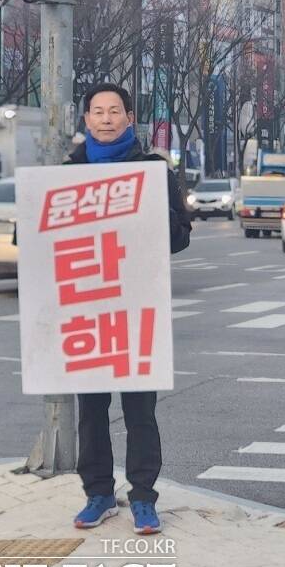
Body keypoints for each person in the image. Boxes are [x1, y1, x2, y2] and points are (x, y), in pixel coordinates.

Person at [67, 83, 191, 535]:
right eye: (97, 111)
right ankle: (98, 494)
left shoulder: (153, 171)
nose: (105, 118)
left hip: (138, 307)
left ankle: (143, 497)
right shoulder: (66, 174)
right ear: (85, 120)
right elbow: (38, 241)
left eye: (114, 110)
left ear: (129, 117)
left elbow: (180, 236)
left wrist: (148, 224)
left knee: (140, 412)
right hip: (87, 309)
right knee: (91, 411)